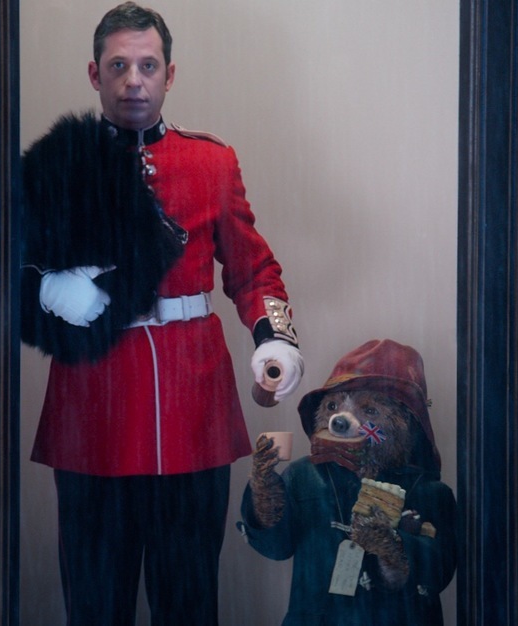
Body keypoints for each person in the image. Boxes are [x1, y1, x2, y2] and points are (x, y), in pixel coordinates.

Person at [19, 3, 305, 625]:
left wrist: (274, 340)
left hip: (191, 412)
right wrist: (45, 290)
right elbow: (4, 265)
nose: (134, 81)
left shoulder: (211, 163)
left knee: (188, 604)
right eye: (118, 66)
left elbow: (254, 271)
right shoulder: (59, 164)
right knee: (96, 606)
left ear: (169, 75)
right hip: (93, 413)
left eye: (148, 66)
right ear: (94, 74)